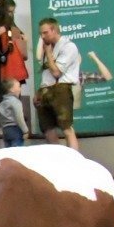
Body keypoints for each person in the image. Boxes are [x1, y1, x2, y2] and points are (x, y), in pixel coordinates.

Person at [35, 17, 81, 151]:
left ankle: (74, 160)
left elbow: (56, 72)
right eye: (41, 34)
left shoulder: (68, 46)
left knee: (66, 127)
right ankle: (59, 158)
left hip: (61, 88)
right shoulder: (47, 46)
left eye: (45, 33)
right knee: (47, 129)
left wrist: (48, 53)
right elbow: (46, 72)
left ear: (54, 30)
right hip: (45, 89)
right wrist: (39, 91)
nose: (42, 37)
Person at [0, 78, 27, 147]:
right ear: (12, 90)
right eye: (19, 86)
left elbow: (0, 118)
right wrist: (25, 131)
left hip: (5, 130)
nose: (20, 89)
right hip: (15, 129)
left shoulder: (2, 103)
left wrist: (2, 128)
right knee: (16, 151)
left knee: (8, 151)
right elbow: (19, 117)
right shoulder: (16, 102)